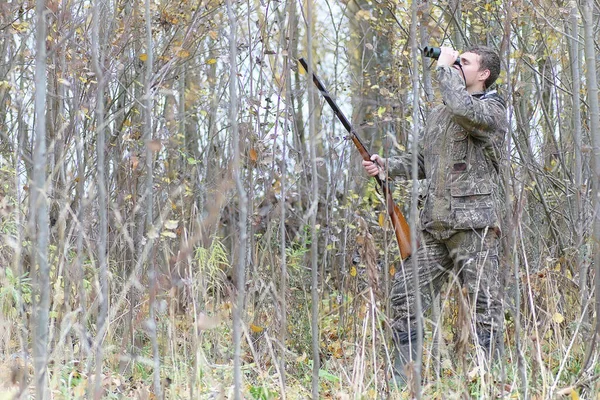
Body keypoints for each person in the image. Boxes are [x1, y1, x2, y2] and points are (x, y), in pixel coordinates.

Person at [362, 45, 508, 387]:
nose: (456, 64)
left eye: (464, 62)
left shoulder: (492, 108)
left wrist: (444, 70)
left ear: (483, 74)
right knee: (403, 295)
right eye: (456, 60)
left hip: (475, 226)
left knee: (485, 306)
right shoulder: (441, 113)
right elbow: (424, 162)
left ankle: (498, 381)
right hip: (435, 224)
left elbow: (465, 109)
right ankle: (404, 382)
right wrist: (387, 168)